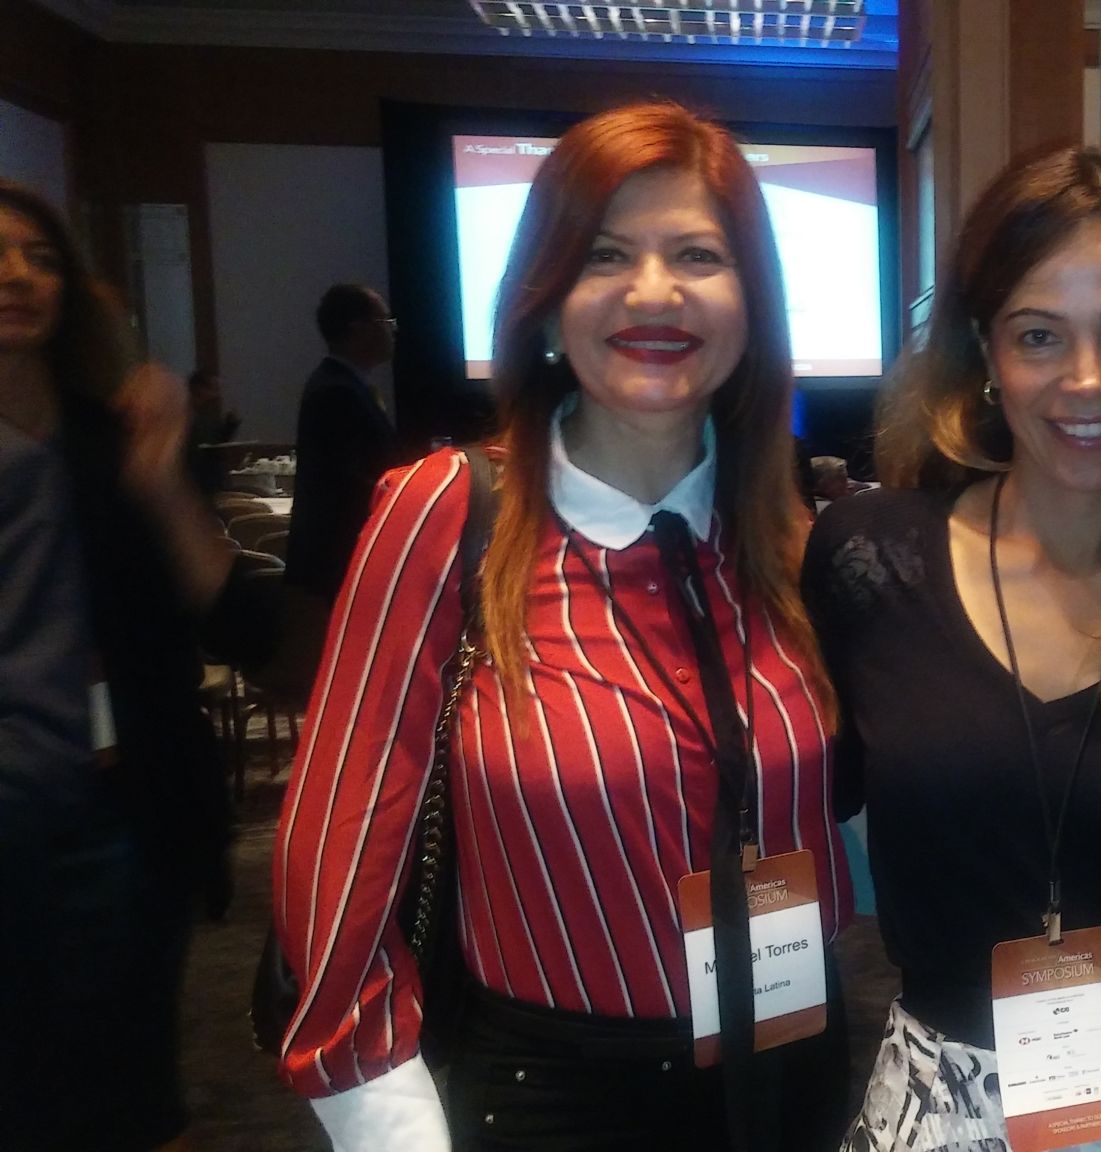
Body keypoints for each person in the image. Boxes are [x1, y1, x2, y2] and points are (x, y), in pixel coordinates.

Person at [272, 101, 853, 1151]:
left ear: (752, 306)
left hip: (791, 1067)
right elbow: (340, 829)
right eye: (604, 255)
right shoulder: (450, 511)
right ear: (545, 306)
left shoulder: (789, 542)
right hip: (557, 1094)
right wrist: (380, 1115)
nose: (654, 291)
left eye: (697, 255)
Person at [804, 144, 1101, 1151]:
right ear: (985, 353)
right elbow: (794, 795)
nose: (1086, 378)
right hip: (939, 1106)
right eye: (1038, 335)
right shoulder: (869, 563)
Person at [0, 180, 255, 1151]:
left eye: (40, 257)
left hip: (119, 805)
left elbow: (231, 622)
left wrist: (160, 478)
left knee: (135, 1086)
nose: (18, 276)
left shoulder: (112, 442)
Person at [285, 282, 399, 600]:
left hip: (335, 559)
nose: (393, 331)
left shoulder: (341, 384)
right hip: (339, 561)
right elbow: (350, 482)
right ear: (358, 329)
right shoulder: (337, 391)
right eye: (386, 322)